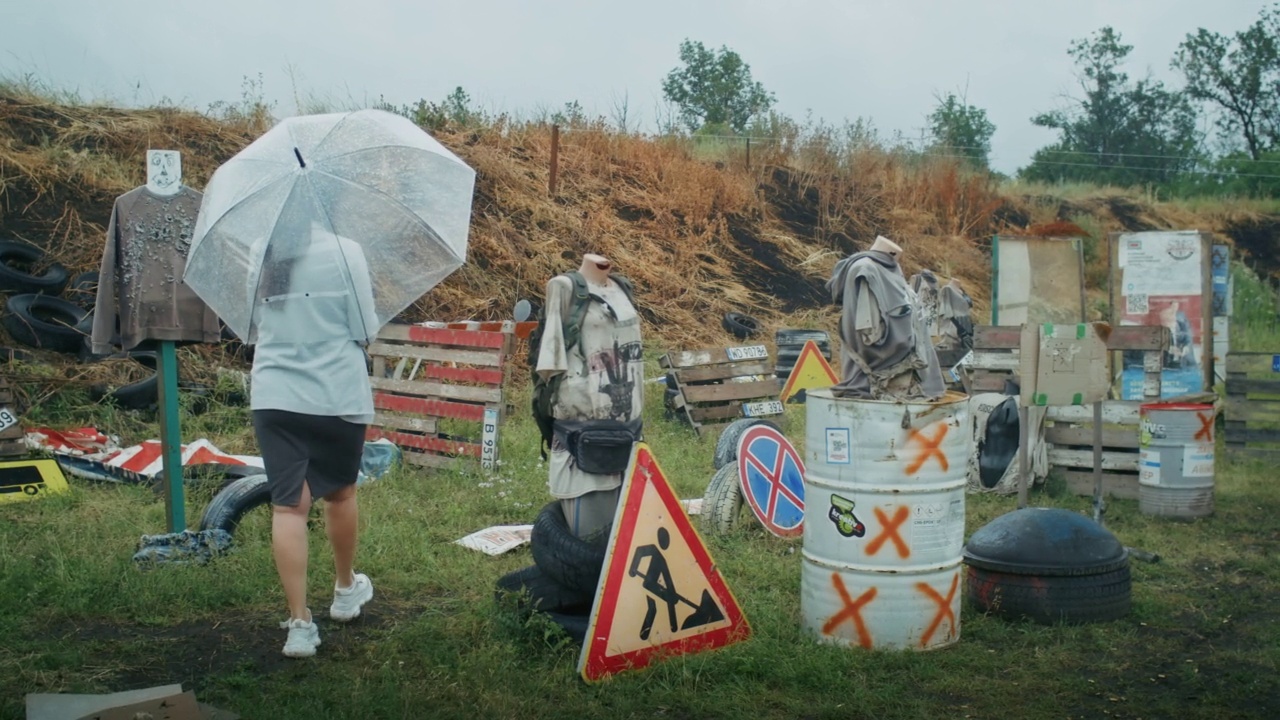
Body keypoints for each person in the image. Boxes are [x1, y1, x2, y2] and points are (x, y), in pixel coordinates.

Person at [250, 223, 380, 658]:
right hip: (335, 392)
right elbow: (365, 326)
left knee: (289, 506)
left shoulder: (260, 250)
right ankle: (345, 591)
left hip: (275, 393)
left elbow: (252, 323)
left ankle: (300, 625)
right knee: (340, 493)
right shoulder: (346, 250)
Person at [535, 253, 644, 539]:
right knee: (589, 538)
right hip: (584, 429)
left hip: (628, 428)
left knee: (626, 531)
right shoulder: (563, 288)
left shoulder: (623, 289)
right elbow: (549, 364)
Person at [826, 235, 945, 400]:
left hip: (907, 382)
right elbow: (867, 335)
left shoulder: (893, 270)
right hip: (874, 381)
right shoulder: (865, 269)